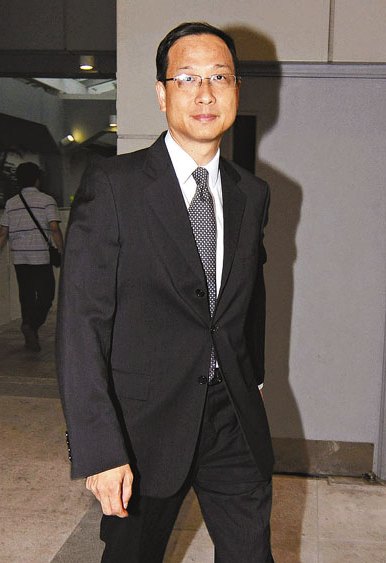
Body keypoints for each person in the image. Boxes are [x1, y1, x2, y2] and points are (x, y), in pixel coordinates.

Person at [57, 22, 274, 562]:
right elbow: (81, 324)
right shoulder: (114, 186)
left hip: (231, 418)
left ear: (236, 89)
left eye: (219, 77)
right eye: (187, 78)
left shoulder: (252, 193)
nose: (205, 94)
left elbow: (250, 293)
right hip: (143, 429)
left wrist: (254, 377)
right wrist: (99, 447)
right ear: (161, 93)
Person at [0, 162, 63, 351]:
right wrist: (62, 250)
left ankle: (29, 332)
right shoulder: (47, 200)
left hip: (20, 258)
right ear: (37, 179)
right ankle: (31, 326)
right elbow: (54, 228)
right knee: (46, 296)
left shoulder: (11, 203)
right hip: (40, 258)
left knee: (26, 296)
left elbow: (2, 232)